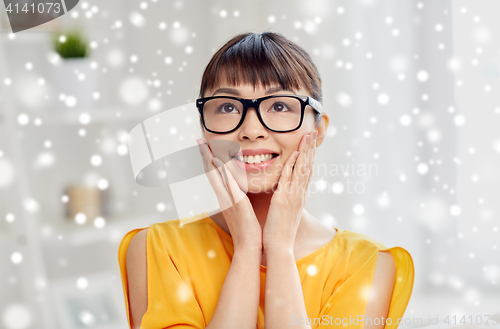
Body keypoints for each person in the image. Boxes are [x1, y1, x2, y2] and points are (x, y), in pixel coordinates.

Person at [118, 31, 414, 329]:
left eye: (280, 106)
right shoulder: (157, 249)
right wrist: (247, 250)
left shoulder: (368, 264)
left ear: (319, 129)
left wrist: (280, 249)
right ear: (203, 129)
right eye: (228, 107)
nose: (251, 130)